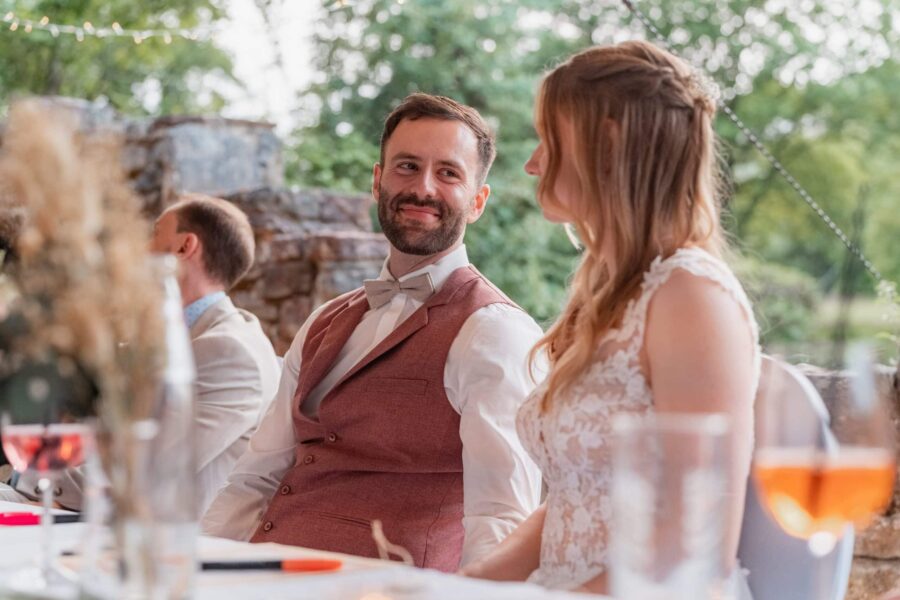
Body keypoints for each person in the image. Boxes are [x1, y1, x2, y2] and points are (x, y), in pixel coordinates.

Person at [462, 41, 760, 596]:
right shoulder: (607, 293)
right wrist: (463, 585)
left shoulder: (690, 295)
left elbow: (695, 546)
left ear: (608, 145)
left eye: (549, 139)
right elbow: (572, 503)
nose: (532, 163)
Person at [202, 93, 544, 571]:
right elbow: (255, 478)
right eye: (407, 167)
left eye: (448, 173)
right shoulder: (324, 321)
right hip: (264, 578)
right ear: (378, 181)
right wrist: (196, 565)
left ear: (477, 202)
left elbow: (501, 517)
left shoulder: (494, 331)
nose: (423, 188)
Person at [10, 194, 281, 515]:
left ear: (184, 246)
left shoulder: (230, 352)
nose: (141, 251)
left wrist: (23, 478)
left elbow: (145, 472)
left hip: (162, 532)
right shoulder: (171, 335)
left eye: (154, 235)